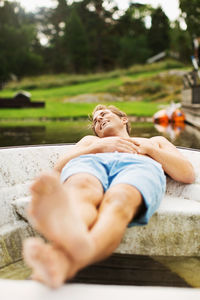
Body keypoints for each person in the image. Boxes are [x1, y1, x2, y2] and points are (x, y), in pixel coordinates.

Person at [23, 104, 195, 289]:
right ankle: (79, 241)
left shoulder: (155, 141)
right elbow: (58, 168)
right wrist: (99, 146)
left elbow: (187, 174)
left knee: (120, 198)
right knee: (82, 187)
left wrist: (151, 151)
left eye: (103, 114)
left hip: (138, 165)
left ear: (124, 119)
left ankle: (70, 253)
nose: (99, 120)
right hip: (91, 162)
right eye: (96, 122)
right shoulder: (90, 141)